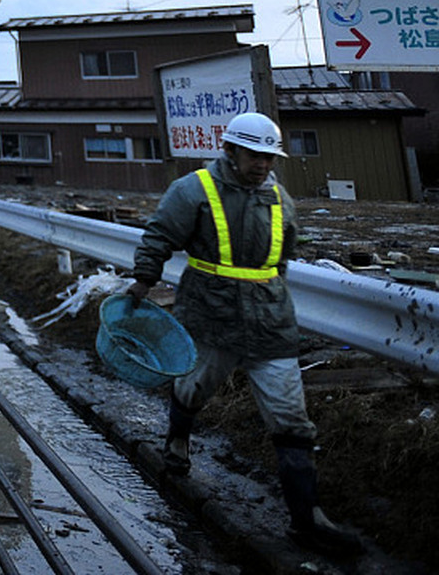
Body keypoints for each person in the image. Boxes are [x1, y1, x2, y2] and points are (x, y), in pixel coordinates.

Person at [128, 111, 363, 558]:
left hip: (270, 322)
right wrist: (142, 280)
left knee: (291, 419)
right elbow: (159, 235)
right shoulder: (193, 190)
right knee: (195, 388)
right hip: (212, 317)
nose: (263, 165)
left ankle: (307, 518)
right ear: (230, 150)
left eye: (270, 158)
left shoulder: (278, 198)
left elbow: (284, 255)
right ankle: (177, 440)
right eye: (255, 156)